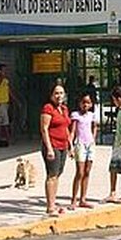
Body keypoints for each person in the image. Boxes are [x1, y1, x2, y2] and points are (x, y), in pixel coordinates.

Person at [40, 83, 73, 216]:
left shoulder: (64, 109)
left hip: (63, 145)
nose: (59, 96)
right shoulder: (48, 108)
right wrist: (49, 148)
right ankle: (50, 207)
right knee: (51, 175)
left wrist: (70, 145)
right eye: (56, 93)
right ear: (51, 95)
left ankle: (53, 201)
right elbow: (44, 129)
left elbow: (66, 127)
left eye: (61, 93)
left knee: (58, 173)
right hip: (52, 145)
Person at [69, 93, 98, 210]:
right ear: (79, 103)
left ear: (91, 104)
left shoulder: (92, 115)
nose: (85, 105)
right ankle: (74, 199)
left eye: (88, 102)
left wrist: (93, 139)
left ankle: (83, 198)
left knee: (87, 171)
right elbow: (72, 131)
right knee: (79, 172)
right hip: (80, 144)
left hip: (90, 144)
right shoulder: (76, 115)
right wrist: (70, 146)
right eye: (83, 102)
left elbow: (95, 127)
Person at [0, 64, 12, 146]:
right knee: (3, 122)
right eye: (3, 70)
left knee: (3, 121)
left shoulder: (6, 80)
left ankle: (2, 137)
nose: (5, 72)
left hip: (5, 102)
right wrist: (1, 75)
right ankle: (6, 138)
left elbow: (9, 91)